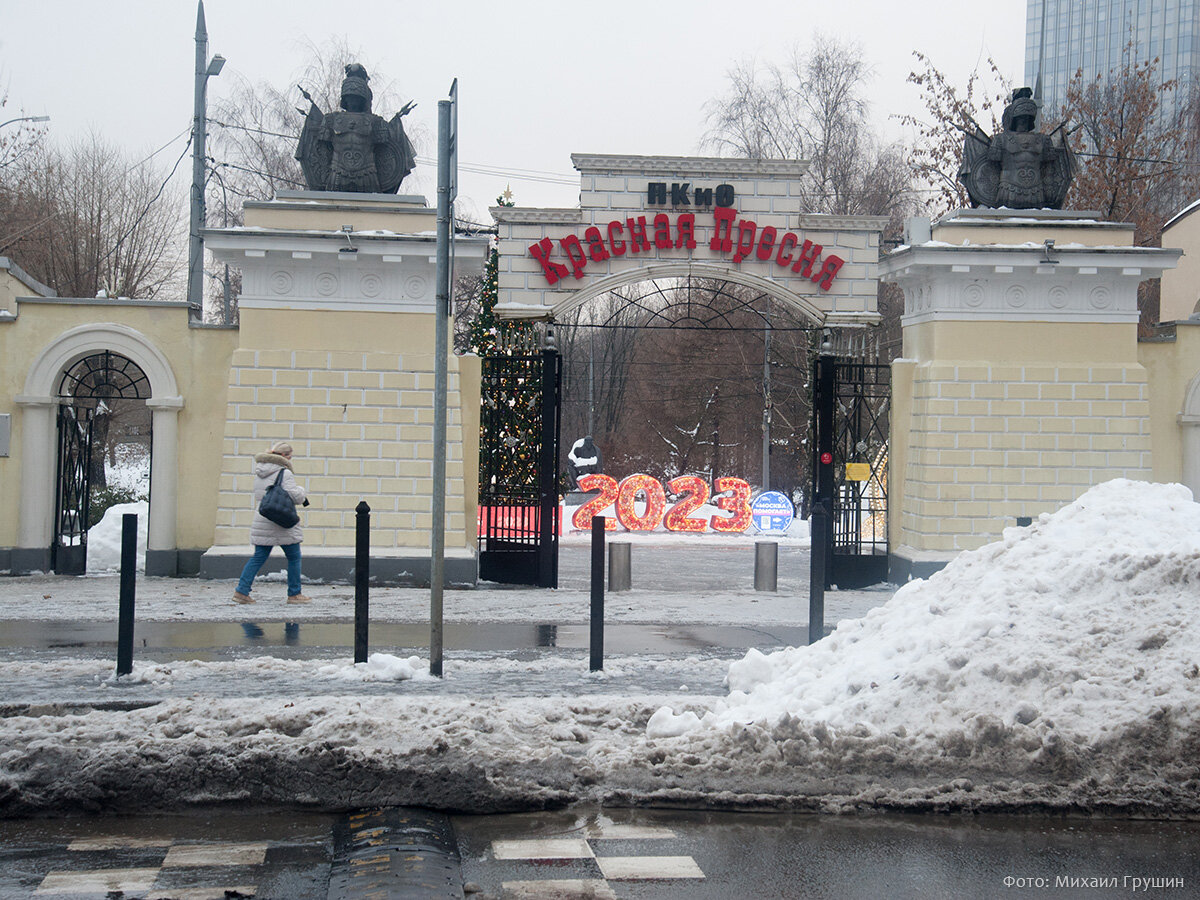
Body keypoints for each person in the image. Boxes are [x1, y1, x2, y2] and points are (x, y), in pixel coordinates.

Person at [232, 441, 311, 605]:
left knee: (258, 557)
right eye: (289, 455)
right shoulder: (284, 473)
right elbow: (294, 496)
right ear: (283, 456)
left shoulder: (260, 472)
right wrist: (302, 491)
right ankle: (294, 594)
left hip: (264, 518)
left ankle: (241, 591)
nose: (291, 459)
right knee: (294, 557)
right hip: (282, 520)